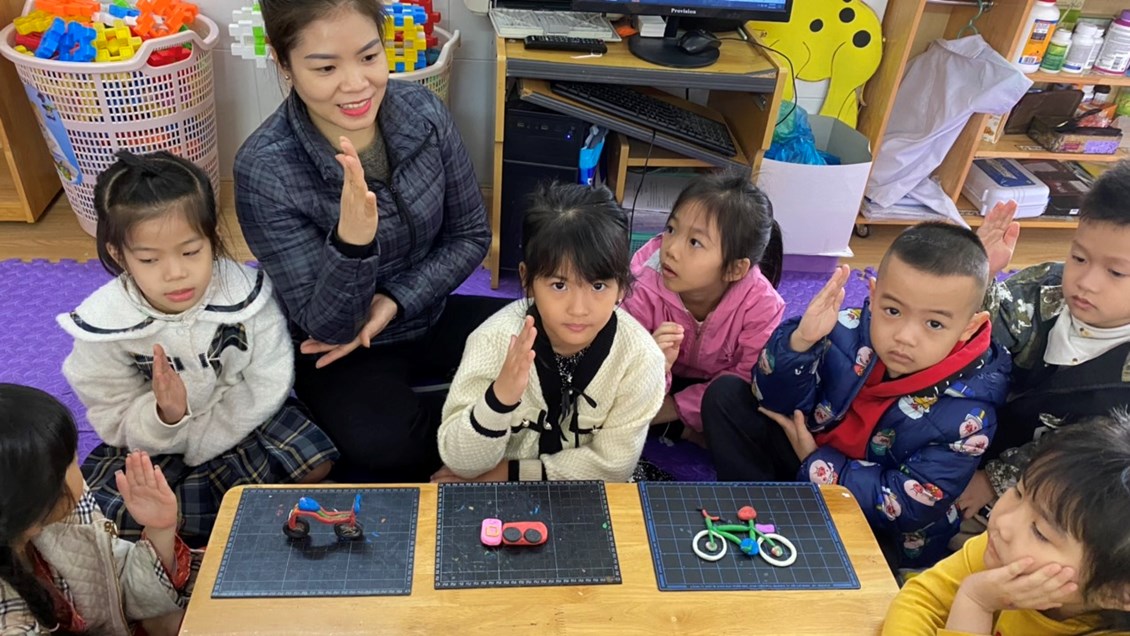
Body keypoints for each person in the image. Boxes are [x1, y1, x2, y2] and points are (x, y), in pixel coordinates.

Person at [235, 0, 504, 482]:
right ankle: (488, 433)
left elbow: (470, 235)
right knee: (382, 444)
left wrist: (395, 300)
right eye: (326, 68)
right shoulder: (265, 169)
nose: (357, 84)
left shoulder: (423, 112)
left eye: (368, 56)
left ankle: (473, 430)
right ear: (284, 63)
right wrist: (352, 244)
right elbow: (328, 326)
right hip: (344, 350)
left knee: (559, 341)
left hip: (428, 310)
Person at [59, 150, 338, 543]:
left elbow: (270, 377)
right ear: (119, 255)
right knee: (122, 519)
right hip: (156, 444)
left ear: (212, 238)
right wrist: (166, 415)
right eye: (149, 259)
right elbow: (112, 414)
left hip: (242, 420)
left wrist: (212, 436)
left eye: (191, 252)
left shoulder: (245, 295)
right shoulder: (104, 325)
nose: (176, 273)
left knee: (317, 463)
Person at [703, 223, 1011, 568]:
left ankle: (793, 527)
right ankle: (758, 512)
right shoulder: (845, 327)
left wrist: (816, 460)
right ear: (874, 295)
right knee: (726, 396)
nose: (905, 336)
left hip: (869, 512)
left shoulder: (971, 416)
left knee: (880, 562)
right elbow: (774, 402)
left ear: (969, 327)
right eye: (892, 311)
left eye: (934, 324)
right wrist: (800, 343)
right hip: (805, 458)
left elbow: (908, 505)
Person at [431, 183, 666, 483]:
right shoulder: (492, 341)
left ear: (621, 285)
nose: (578, 309)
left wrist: (510, 473)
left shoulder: (641, 359)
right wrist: (499, 398)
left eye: (598, 286)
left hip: (573, 491)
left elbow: (614, 467)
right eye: (559, 285)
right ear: (527, 279)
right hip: (500, 494)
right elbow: (460, 463)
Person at [953, 163, 1130, 530]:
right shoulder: (1045, 288)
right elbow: (976, 335)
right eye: (1079, 258)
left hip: (1040, 493)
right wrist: (980, 277)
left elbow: (1082, 457)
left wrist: (994, 480)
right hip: (968, 434)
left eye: (1116, 272)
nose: (1086, 281)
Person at [883, 411, 1130, 635]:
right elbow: (921, 599)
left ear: (1118, 592)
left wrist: (975, 602)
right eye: (1018, 492)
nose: (1003, 521)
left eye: (1040, 532)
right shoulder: (1001, 549)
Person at [0, 384, 191, 635]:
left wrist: (159, 529)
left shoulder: (64, 513)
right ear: (35, 499)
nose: (80, 466)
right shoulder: (11, 622)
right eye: (73, 461)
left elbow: (114, 587)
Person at [620, 171, 785, 447]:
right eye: (671, 229)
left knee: (764, 402)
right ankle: (682, 429)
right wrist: (655, 362)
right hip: (661, 379)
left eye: (695, 242)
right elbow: (620, 361)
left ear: (735, 269)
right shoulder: (643, 283)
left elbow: (748, 376)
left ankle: (675, 424)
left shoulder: (762, 305)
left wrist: (674, 407)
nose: (671, 249)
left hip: (719, 386)